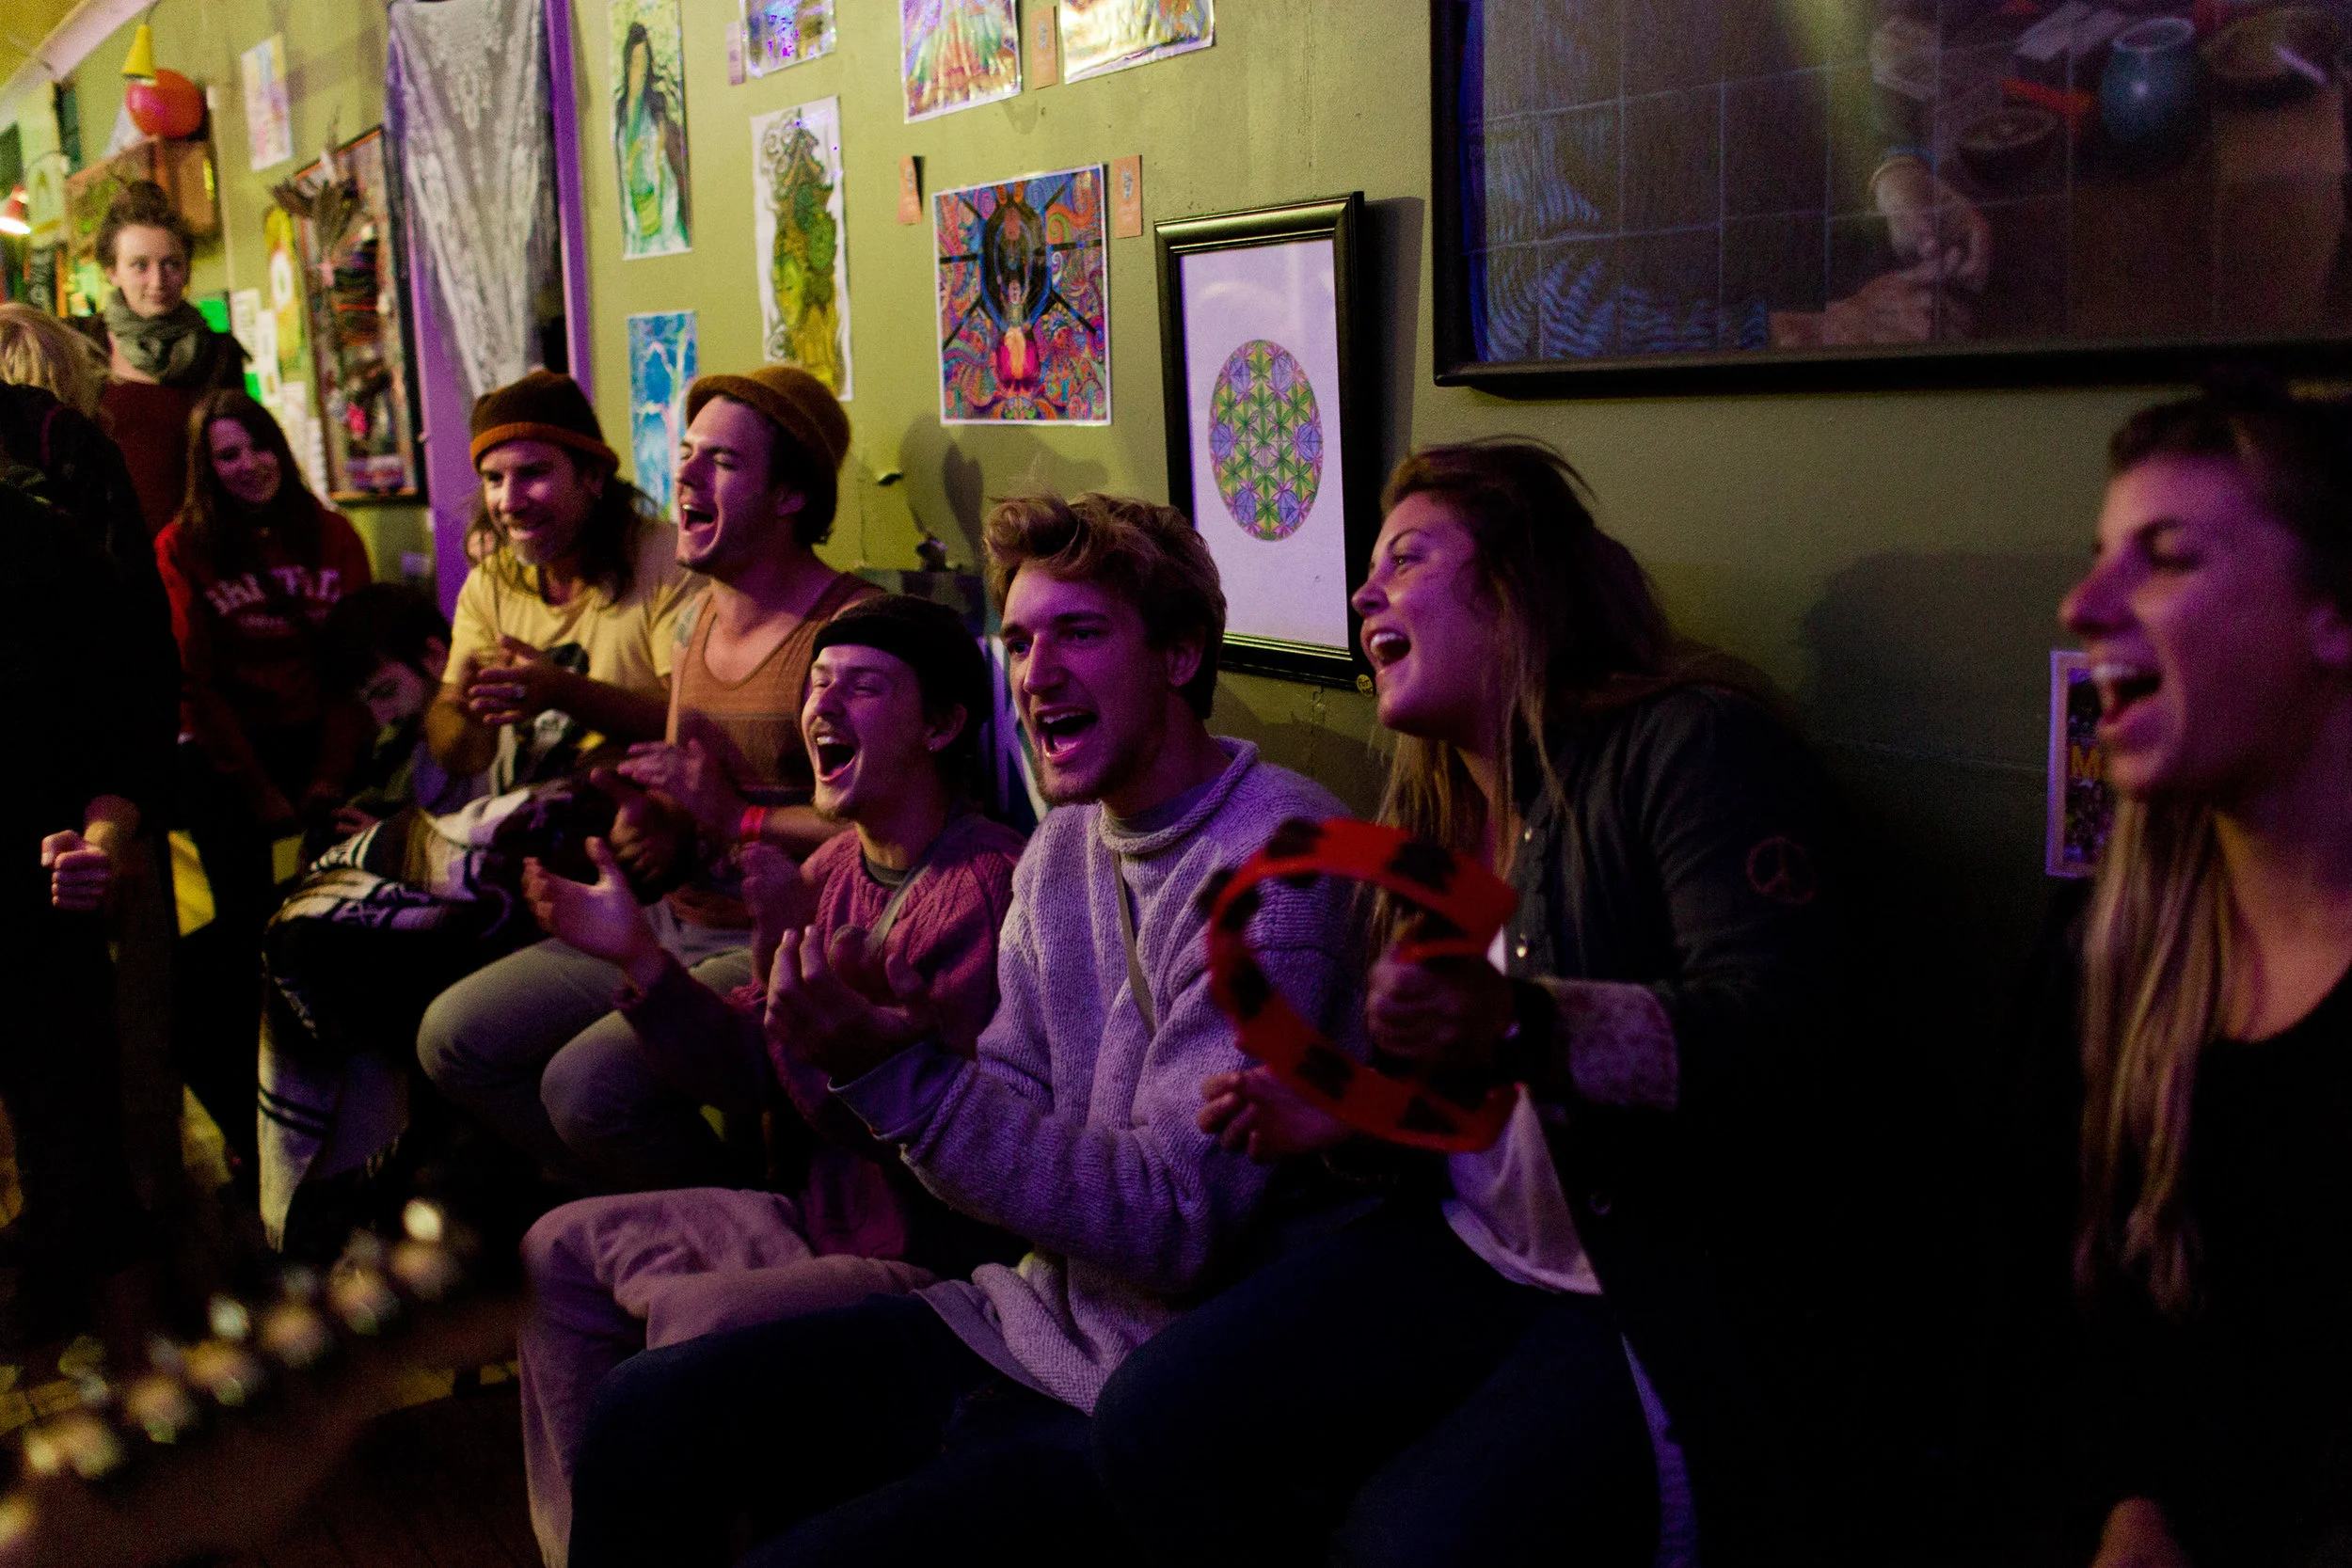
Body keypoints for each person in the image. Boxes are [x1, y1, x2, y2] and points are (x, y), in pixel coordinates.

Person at [1089, 440, 1857, 1567]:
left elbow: (1785, 1039)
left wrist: (1518, 1021)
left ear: (1515, 583)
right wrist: (1354, 1119)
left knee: (1411, 1540)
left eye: (1406, 557)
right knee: (1150, 1419)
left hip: (1636, 1293)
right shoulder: (1442, 817)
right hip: (1473, 1249)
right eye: (1367, 572)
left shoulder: (1693, 745)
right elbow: (1487, 1120)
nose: (1364, 594)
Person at [563, 492, 1366, 1567]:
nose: (1035, 675)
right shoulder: (1066, 844)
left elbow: (1178, 1221)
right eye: (1022, 640)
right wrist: (905, 1061)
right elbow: (996, 1136)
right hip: (1015, 1318)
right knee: (640, 1411)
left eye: (1080, 633)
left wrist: (911, 1080)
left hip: (1145, 1385)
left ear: (1178, 657)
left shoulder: (1279, 867)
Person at [514, 594, 1025, 1568]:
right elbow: (748, 1069)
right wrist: (642, 960)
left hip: (933, 1256)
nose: (825, 705)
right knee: (555, 1250)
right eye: (818, 684)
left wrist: (804, 1004)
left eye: (864, 687)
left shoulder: (986, 888)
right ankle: (587, 1545)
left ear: (944, 724)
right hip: (815, 1214)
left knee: (695, 1324)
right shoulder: (835, 861)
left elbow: (916, 1140)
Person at [1990, 386, 2352, 1568]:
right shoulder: (2104, 945)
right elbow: (2037, 1322)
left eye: (2165, 559)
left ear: (2331, 612)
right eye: (2099, 559)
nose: (2080, 605)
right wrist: (2124, 1504)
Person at [419, 365, 873, 1193]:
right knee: (454, 1037)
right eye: (687, 453)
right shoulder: (699, 619)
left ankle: (740, 1230)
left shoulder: (850, 633)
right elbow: (683, 773)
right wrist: (655, 815)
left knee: (583, 1088)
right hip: (672, 914)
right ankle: (657, 1215)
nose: (684, 476)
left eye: (722, 463)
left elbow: (894, 833)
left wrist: (737, 822)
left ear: (791, 495)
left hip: (785, 937)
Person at [155, 389, 373, 1185]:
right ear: (204, 469)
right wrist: (256, 788)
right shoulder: (182, 547)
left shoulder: (334, 534)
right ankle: (261, 1120)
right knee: (249, 931)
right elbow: (193, 682)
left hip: (322, 749)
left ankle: (346, 1109)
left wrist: (328, 772)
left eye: (258, 447)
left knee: (334, 927)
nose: (249, 467)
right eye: (226, 455)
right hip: (226, 761)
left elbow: (356, 666)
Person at [0, 471, 158, 1350]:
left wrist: (104, 836)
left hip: (38, 880)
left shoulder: (47, 548)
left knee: (78, 1135)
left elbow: (127, 722)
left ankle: (145, 1413)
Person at [422, 369, 691, 798]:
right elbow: (464, 754)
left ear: (593, 476)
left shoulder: (667, 559)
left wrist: (562, 691)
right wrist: (464, 713)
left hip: (646, 824)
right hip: (531, 825)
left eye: (532, 473)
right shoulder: (490, 584)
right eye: (494, 479)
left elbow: (692, 722)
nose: (509, 502)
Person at [74, 181, 245, 536]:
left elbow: (240, 449)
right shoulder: (82, 347)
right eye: (139, 265)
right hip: (113, 554)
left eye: (171, 264)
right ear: (111, 271)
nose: (158, 281)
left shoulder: (218, 354)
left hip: (206, 543)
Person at [317, 582, 485, 837]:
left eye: (386, 692)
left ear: (435, 655)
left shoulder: (488, 731)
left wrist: (393, 843)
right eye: (365, 704)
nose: (381, 717)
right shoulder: (399, 743)